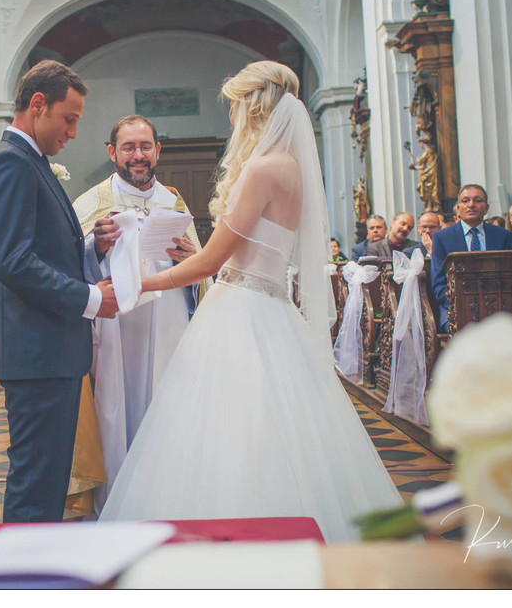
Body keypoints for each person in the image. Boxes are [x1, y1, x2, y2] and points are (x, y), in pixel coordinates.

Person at [98, 61, 402, 540]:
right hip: (272, 307)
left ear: (253, 107)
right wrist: (200, 255)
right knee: (281, 431)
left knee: (228, 430)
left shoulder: (262, 169)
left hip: (239, 310)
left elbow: (207, 265)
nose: (233, 117)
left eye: (236, 107)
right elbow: (242, 254)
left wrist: (138, 285)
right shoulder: (294, 169)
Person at [0, 59, 118, 523]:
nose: (73, 132)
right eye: (69, 119)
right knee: (36, 484)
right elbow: (13, 261)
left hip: (48, 349)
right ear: (39, 105)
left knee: (49, 480)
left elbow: (41, 248)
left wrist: (89, 242)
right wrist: (92, 299)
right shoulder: (9, 164)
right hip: (36, 350)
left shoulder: (31, 162)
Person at [73, 114, 207, 509]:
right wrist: (95, 247)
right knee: (115, 412)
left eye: (145, 146)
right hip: (114, 330)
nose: (138, 156)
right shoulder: (91, 202)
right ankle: (117, 504)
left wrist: (192, 259)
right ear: (112, 152)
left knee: (169, 406)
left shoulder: (174, 201)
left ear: (157, 150)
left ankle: (168, 499)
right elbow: (67, 268)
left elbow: (201, 272)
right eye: (128, 147)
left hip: (168, 326)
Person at [430, 184, 512, 330]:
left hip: (496, 305)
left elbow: (510, 276)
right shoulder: (441, 237)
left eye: (477, 200)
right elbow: (438, 283)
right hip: (454, 307)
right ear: (458, 208)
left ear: (486, 208)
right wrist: (459, 304)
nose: (471, 205)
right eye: (465, 201)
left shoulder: (503, 235)